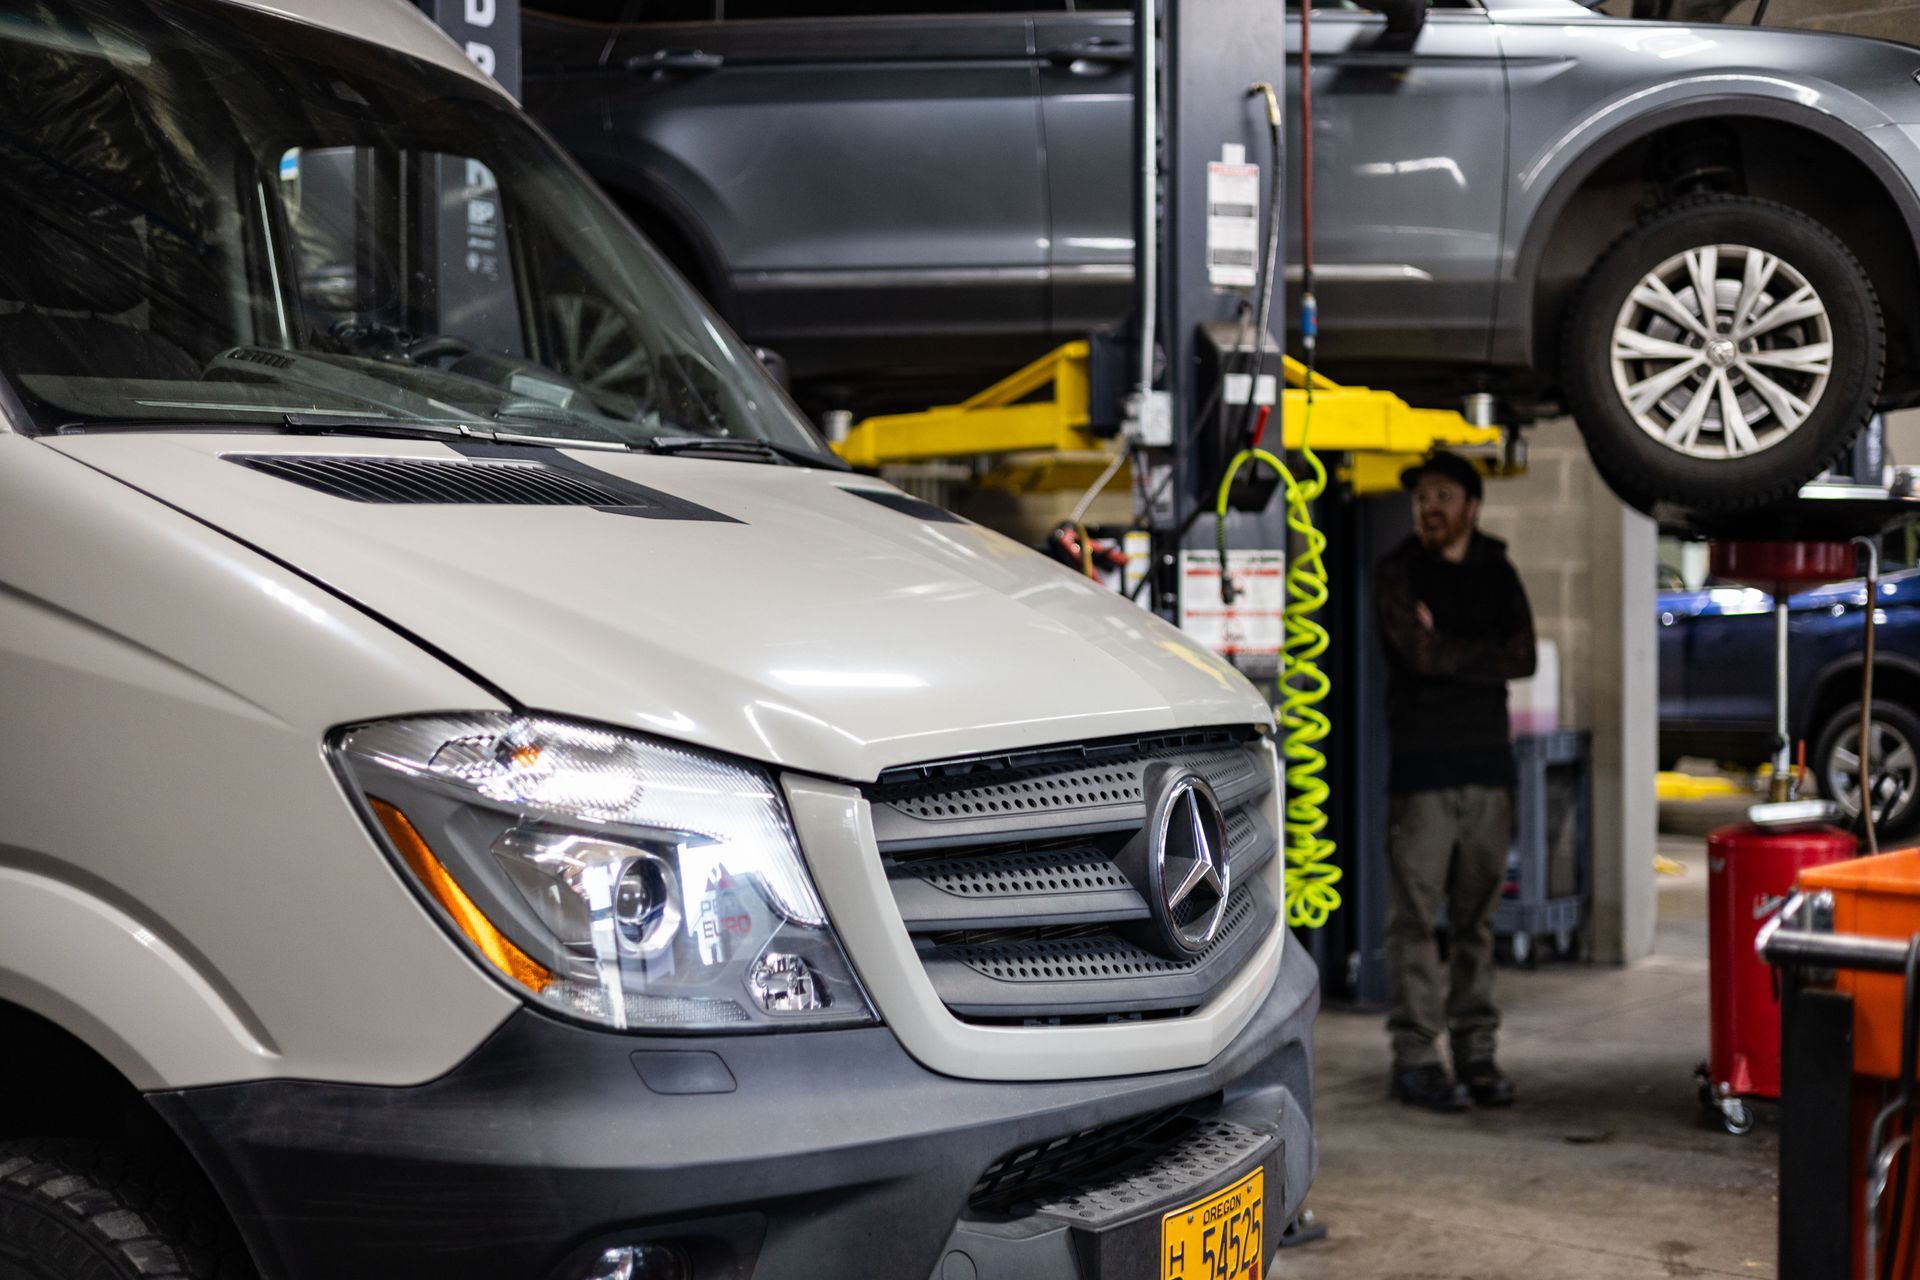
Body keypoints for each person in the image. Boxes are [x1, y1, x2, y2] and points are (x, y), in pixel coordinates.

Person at [1375, 451, 1536, 1112]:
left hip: (1488, 771)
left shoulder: (1497, 569)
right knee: (1414, 919)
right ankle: (1415, 1057)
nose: (1429, 507)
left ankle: (1475, 1052)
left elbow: (1522, 656)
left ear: (1472, 505)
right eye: (1422, 498)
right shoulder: (1397, 570)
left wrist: (1451, 652)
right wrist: (1478, 654)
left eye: (1443, 495)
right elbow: (1416, 652)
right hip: (1422, 771)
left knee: (1476, 919)